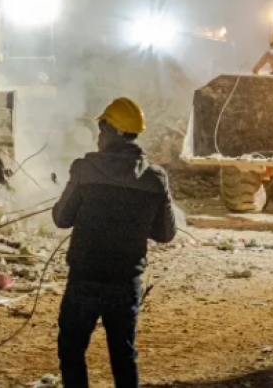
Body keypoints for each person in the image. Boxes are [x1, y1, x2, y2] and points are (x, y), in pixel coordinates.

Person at [53, 97, 177, 388]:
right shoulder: (155, 178)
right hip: (126, 280)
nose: (98, 136)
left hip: (85, 278)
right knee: (123, 354)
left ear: (111, 131)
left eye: (101, 128)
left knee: (72, 350)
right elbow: (165, 233)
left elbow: (61, 218)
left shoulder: (84, 169)